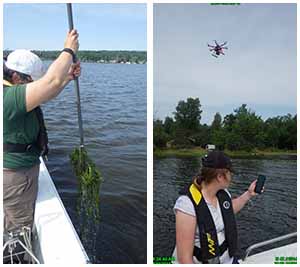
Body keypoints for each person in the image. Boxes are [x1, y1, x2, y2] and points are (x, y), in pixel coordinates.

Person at [3, 29, 80, 252]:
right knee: (17, 230)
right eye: (30, 82)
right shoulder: (9, 98)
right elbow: (50, 83)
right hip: (16, 176)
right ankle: (16, 257)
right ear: (16, 77)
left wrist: (67, 78)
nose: (33, 86)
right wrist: (68, 49)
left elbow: (49, 89)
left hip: (18, 171)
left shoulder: (13, 92)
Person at [173, 151, 263, 264]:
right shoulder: (187, 205)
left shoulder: (223, 194)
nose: (231, 177)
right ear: (220, 176)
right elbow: (184, 260)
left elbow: (228, 210)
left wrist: (249, 194)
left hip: (227, 260)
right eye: (230, 173)